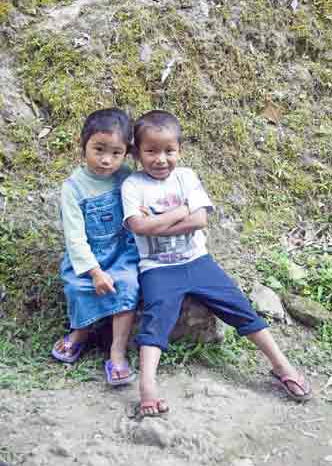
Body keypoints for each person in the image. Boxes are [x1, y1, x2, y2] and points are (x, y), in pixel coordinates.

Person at [121, 110, 312, 415]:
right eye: (151, 151)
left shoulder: (186, 177)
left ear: (179, 150)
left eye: (169, 151)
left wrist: (159, 219)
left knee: (239, 306)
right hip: (157, 268)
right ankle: (148, 387)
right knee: (156, 320)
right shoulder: (133, 185)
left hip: (198, 261)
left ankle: (281, 365)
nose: (161, 159)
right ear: (137, 153)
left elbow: (200, 220)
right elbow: (138, 227)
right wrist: (180, 211)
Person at [52, 108, 140, 386]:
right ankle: (81, 332)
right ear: (83, 145)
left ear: (126, 153)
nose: (106, 160)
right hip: (88, 258)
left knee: (127, 284)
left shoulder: (127, 177)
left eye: (116, 153)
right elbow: (75, 239)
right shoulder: (74, 188)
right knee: (78, 288)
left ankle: (117, 350)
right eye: (98, 149)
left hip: (122, 252)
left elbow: (139, 207)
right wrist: (94, 271)